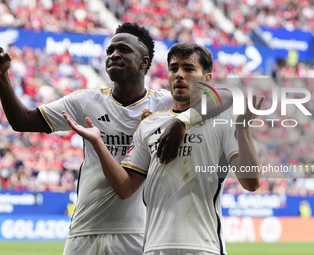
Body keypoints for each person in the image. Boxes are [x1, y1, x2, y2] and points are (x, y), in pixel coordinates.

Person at [0, 24, 232, 254]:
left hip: (138, 234)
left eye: (123, 50)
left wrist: (183, 121)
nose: (114, 55)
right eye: (110, 51)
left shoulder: (163, 104)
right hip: (84, 230)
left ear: (144, 61)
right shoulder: (85, 102)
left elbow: (225, 96)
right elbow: (22, 120)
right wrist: (2, 76)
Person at [63, 42, 262, 255]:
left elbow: (251, 182)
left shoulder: (222, 121)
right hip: (153, 249)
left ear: (207, 79)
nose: (179, 75)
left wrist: (243, 131)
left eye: (188, 68)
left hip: (203, 247)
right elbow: (125, 188)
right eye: (174, 68)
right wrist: (98, 143)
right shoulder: (149, 125)